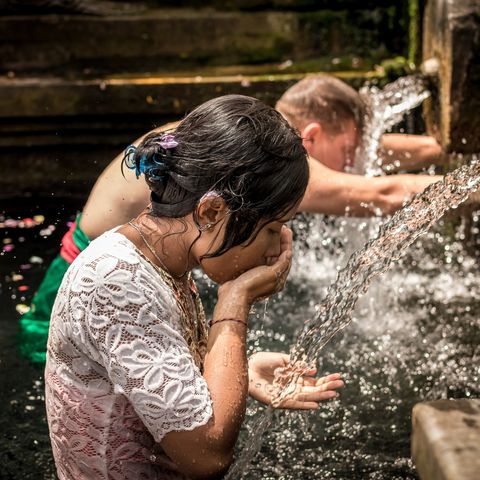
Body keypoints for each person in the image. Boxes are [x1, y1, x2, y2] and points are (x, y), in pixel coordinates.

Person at [45, 94, 345, 479]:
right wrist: (234, 304)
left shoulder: (162, 259)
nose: (276, 251)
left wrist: (243, 371)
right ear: (212, 211)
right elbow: (206, 456)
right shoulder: (115, 282)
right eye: (271, 229)